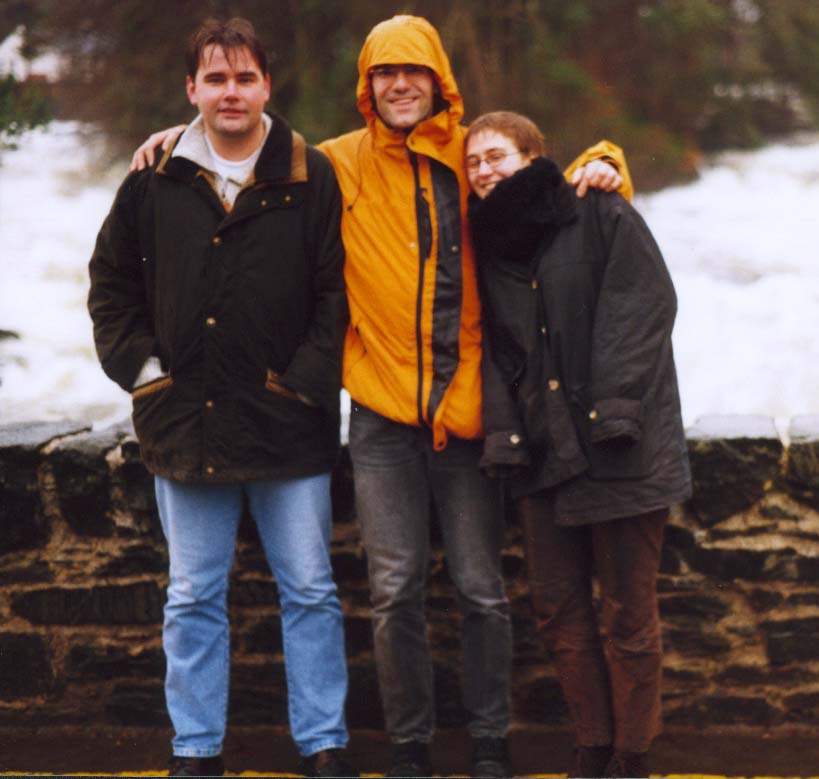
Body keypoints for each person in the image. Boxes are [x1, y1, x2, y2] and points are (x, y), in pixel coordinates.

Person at [131, 15, 627, 778]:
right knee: (393, 590)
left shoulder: (471, 158)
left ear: (438, 80)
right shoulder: (336, 163)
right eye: (384, 73)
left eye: (413, 71)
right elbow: (250, 145)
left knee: (482, 590)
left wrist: (606, 161)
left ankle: (489, 740)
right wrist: (182, 134)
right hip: (380, 415)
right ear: (367, 86)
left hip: (469, 411)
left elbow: (545, 184)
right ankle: (409, 744)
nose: (400, 85)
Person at [88, 18, 355, 779]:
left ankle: (324, 743)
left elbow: (335, 294)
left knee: (310, 591)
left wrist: (301, 384)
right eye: (215, 78)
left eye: (244, 78)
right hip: (186, 424)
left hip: (288, 425)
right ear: (192, 89)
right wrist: (147, 375)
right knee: (192, 596)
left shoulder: (312, 174)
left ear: (267, 85)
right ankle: (196, 750)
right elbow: (110, 286)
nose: (230, 92)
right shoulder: (153, 177)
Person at [464, 111, 692, 779]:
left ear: (535, 157)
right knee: (559, 613)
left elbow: (645, 305)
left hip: (619, 448)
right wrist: (507, 436)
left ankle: (631, 755)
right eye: (473, 161)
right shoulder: (488, 245)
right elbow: (498, 353)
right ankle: (592, 746)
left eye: (497, 156)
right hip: (541, 455)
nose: (484, 170)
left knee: (628, 616)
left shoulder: (597, 209)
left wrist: (613, 409)